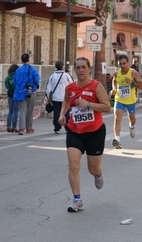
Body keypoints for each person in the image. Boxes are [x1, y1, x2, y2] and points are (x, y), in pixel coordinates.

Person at [58, 57, 111, 212]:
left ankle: (98, 173)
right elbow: (66, 101)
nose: (81, 70)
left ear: (89, 69)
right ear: (75, 70)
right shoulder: (70, 87)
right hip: (75, 131)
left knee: (92, 168)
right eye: (78, 67)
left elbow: (107, 107)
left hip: (95, 132)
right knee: (73, 165)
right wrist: (62, 114)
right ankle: (77, 199)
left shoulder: (96, 86)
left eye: (83, 67)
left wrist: (88, 104)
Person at [110, 54, 142, 148]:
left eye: (124, 63)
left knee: (132, 119)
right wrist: (114, 89)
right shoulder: (117, 73)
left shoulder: (134, 73)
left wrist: (132, 82)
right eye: (120, 64)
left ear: (128, 63)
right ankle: (117, 140)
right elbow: (114, 81)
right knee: (117, 118)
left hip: (130, 101)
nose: (122, 66)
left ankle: (132, 126)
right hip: (119, 99)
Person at [13, 53, 40, 135]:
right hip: (31, 91)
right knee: (30, 110)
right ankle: (29, 128)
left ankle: (21, 128)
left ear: (22, 60)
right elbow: (36, 79)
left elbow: (14, 82)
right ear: (29, 59)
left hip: (20, 92)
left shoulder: (18, 70)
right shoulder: (33, 69)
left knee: (22, 111)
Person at [45, 60, 74, 134]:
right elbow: (72, 85)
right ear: (62, 66)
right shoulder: (67, 76)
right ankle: (68, 128)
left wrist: (49, 98)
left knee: (56, 113)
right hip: (65, 98)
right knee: (66, 113)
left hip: (55, 98)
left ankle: (57, 128)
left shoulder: (52, 76)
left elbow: (49, 88)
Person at [5, 64, 19, 133]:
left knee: (10, 111)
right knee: (15, 111)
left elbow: (6, 85)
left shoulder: (8, 77)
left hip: (10, 94)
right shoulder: (17, 76)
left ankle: (8, 126)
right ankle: (14, 126)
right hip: (16, 94)